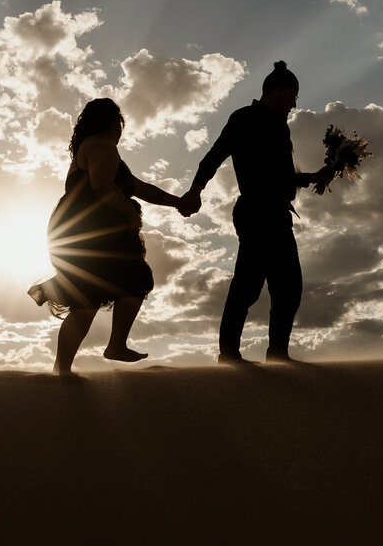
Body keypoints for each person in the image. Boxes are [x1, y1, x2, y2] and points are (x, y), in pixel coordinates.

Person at [178, 61, 336, 364]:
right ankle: (229, 355)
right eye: (293, 96)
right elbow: (214, 156)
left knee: (289, 287)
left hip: (278, 214)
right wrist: (195, 190)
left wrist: (312, 177)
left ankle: (277, 354)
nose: (294, 103)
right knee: (248, 285)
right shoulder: (244, 119)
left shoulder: (281, 127)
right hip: (254, 212)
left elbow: (281, 176)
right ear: (278, 91)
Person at [31, 98, 184, 376]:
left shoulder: (93, 149)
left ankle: (61, 370)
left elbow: (138, 187)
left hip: (74, 234)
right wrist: (129, 213)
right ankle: (116, 344)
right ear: (115, 122)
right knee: (135, 279)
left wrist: (178, 202)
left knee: (86, 300)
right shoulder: (102, 147)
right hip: (90, 234)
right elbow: (102, 188)